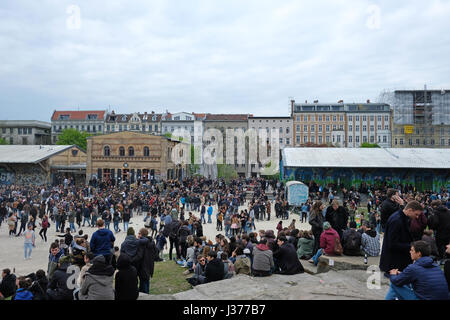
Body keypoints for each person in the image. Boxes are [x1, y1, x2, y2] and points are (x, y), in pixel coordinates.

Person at [380, 201, 424, 275]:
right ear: (409, 210)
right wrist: (411, 246)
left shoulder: (403, 218)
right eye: (416, 214)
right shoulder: (397, 220)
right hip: (394, 264)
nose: (417, 217)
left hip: (399, 262)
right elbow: (392, 244)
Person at [135, 228, 156, 294]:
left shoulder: (141, 243)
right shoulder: (151, 242)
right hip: (149, 265)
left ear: (142, 234)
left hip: (143, 266)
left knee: (143, 285)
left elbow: (139, 256)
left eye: (139, 233)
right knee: (146, 282)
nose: (138, 235)